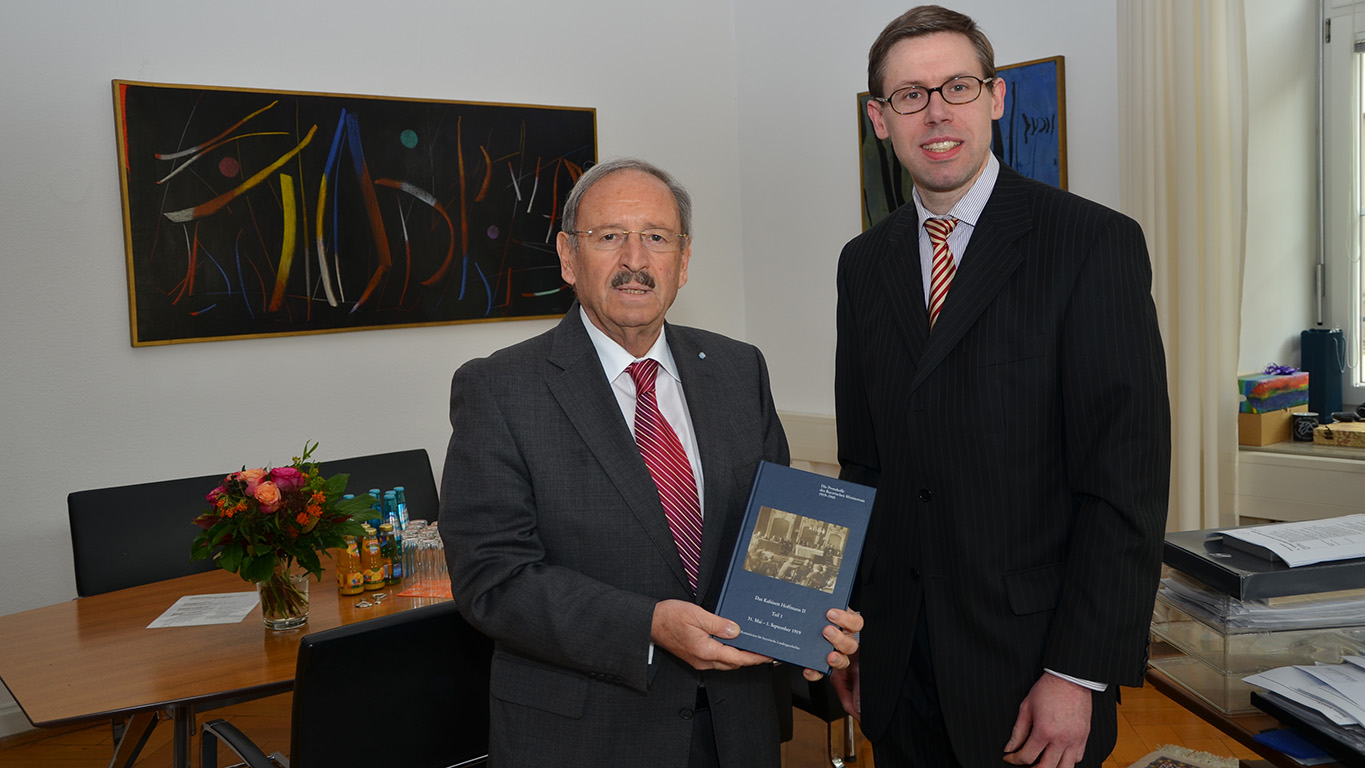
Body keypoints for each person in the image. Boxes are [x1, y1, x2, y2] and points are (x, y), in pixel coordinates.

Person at [440, 157, 862, 768]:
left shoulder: (740, 370)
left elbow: (778, 539)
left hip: (738, 728)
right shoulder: (500, 388)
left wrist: (811, 622)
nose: (635, 260)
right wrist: (649, 624)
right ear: (567, 257)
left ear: (683, 261)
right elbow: (492, 580)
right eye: (610, 236)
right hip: (587, 740)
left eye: (657, 238)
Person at [832, 6, 1171, 768]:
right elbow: (864, 466)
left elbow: (1124, 486)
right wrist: (853, 627)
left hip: (1031, 675)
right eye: (909, 96)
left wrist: (1077, 672)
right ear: (879, 120)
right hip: (897, 669)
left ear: (995, 98)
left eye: (957, 86)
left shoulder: (1091, 244)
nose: (936, 112)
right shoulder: (863, 264)